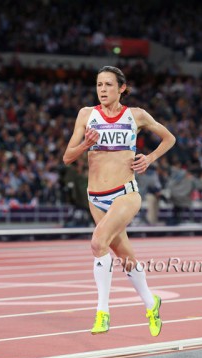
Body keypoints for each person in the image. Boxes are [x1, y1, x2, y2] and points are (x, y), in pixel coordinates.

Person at [63, 66, 176, 336]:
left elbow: (169, 138)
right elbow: (68, 157)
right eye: (99, 85)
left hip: (125, 193)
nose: (102, 90)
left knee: (97, 242)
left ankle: (102, 312)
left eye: (108, 85)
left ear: (121, 88)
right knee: (125, 257)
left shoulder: (135, 115)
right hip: (95, 198)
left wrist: (149, 158)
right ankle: (151, 303)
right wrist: (85, 144)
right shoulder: (86, 115)